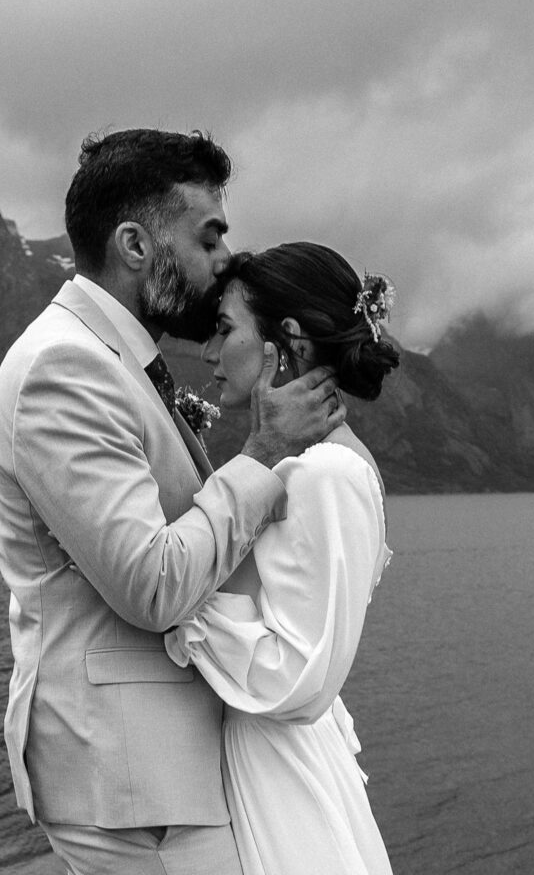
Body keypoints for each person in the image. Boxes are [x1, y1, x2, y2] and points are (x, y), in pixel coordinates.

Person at [0, 130, 346, 875]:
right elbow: (151, 585)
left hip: (159, 775)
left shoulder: (115, 361)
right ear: (135, 244)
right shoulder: (65, 369)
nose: (222, 261)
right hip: (130, 781)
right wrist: (261, 455)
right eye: (208, 236)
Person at [165, 242, 400, 875]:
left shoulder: (326, 473)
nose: (209, 354)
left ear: (284, 342)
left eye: (223, 330)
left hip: (282, 776)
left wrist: (176, 605)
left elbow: (297, 681)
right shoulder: (297, 464)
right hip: (260, 758)